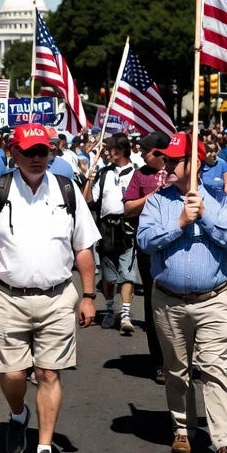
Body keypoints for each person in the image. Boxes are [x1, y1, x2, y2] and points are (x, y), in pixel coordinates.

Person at [0, 123, 100, 453]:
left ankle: (42, 448)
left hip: (58, 299)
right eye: (30, 152)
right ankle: (18, 413)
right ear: (14, 153)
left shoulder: (67, 190)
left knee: (48, 374)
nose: (38, 158)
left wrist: (88, 296)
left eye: (44, 151)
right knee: (12, 375)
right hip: (8, 297)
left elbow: (84, 248)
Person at [136, 132, 227, 453]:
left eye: (174, 160)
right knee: (177, 370)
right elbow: (144, 241)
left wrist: (205, 216)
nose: (166, 165)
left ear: (194, 163)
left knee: (214, 368)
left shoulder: (219, 199)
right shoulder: (157, 201)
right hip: (168, 300)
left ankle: (226, 442)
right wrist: (181, 221)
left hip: (213, 300)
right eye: (165, 159)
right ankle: (183, 427)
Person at [121, 131, 171, 384]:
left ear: (161, 152)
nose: (140, 154)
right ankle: (159, 362)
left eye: (146, 150)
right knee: (154, 306)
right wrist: (154, 195)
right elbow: (128, 207)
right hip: (150, 250)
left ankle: (184, 360)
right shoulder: (141, 176)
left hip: (178, 248)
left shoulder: (181, 174)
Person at [87, 133, 140, 335]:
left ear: (123, 150)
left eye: (112, 149)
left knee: (127, 274)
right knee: (108, 276)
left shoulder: (135, 173)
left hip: (127, 228)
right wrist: (89, 180)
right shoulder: (103, 173)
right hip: (106, 229)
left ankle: (125, 315)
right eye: (107, 149)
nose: (108, 152)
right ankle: (110, 309)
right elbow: (90, 200)